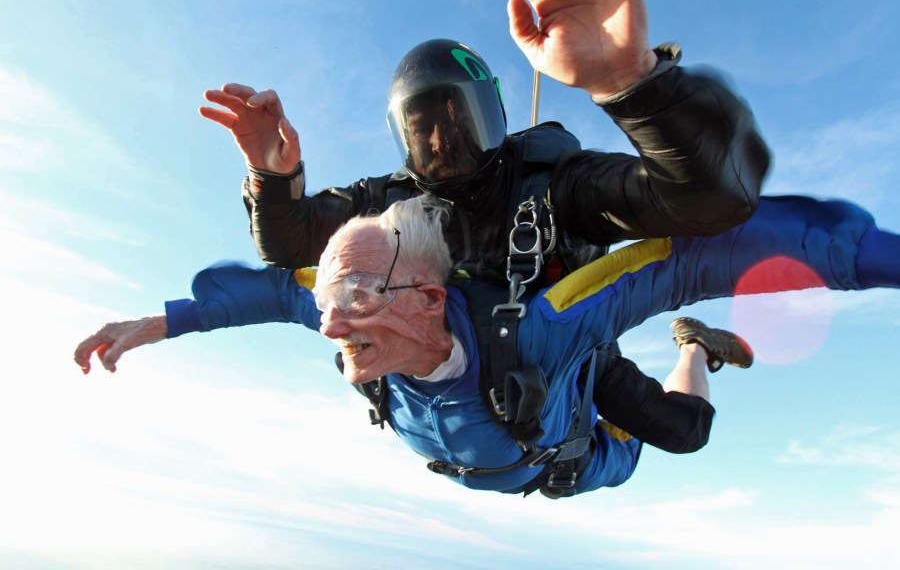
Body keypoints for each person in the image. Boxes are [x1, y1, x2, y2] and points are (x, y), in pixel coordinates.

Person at [198, 0, 771, 454]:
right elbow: (289, 246)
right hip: (472, 367)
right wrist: (272, 177)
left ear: (492, 115)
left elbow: (709, 200)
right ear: (403, 141)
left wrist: (634, 83)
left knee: (684, 432)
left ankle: (693, 344)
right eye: (423, 132)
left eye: (458, 121)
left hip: (572, 346)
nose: (444, 144)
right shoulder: (391, 200)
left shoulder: (553, 185)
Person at [75, 194, 900, 497]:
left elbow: (688, 258)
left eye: (355, 299)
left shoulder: (543, 324)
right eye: (330, 300)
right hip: (523, 418)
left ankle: (694, 351)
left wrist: (880, 261)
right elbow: (267, 293)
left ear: (431, 299)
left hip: (575, 426)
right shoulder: (353, 320)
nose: (329, 324)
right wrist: (155, 324)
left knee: (685, 433)